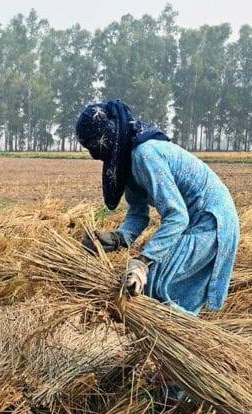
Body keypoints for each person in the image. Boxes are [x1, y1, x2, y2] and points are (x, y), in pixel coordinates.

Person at [76, 100, 239, 316]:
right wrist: (117, 238)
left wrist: (143, 263)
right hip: (199, 222)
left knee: (151, 287)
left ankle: (178, 344)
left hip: (211, 222)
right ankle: (173, 344)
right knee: (156, 294)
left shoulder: (145, 154)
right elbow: (138, 213)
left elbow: (177, 215)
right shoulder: (128, 160)